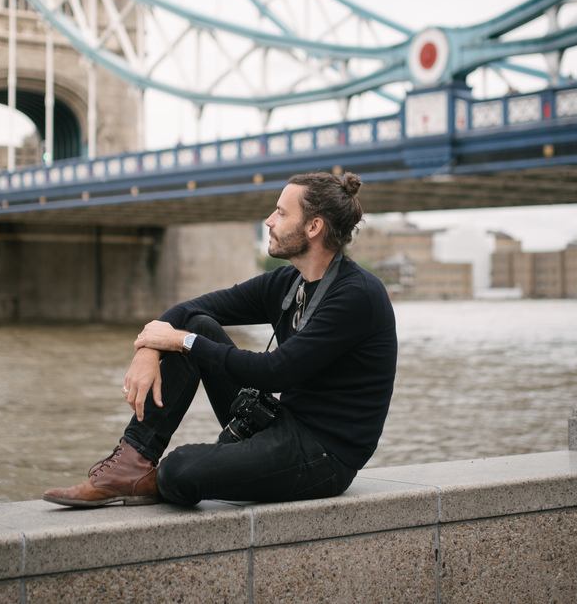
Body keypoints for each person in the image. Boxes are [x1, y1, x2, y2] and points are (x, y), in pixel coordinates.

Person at [42, 171, 397, 507]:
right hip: (279, 421)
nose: (269, 221)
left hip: (323, 456)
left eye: (280, 213)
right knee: (196, 325)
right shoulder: (287, 283)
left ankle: (151, 480)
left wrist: (181, 342)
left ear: (314, 226)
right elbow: (192, 309)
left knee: (181, 467)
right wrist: (149, 347)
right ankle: (132, 461)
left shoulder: (356, 294)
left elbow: (276, 372)